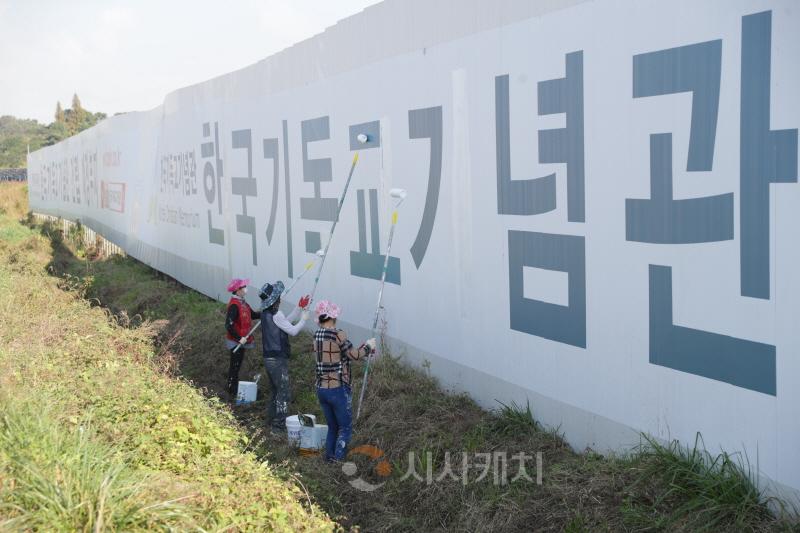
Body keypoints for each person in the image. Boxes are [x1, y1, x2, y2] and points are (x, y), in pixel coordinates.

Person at [312, 300, 376, 462]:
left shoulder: (316, 334)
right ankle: (339, 461)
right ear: (333, 317)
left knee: (332, 427)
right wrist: (368, 347)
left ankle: (329, 458)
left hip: (321, 389)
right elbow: (354, 355)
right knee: (345, 428)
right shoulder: (337, 334)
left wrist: (360, 349)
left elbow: (338, 355)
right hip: (337, 389)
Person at [258, 281, 310, 432]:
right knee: (284, 393)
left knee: (275, 391)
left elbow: (284, 323)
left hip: (268, 358)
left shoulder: (267, 314)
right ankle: (279, 426)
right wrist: (304, 319)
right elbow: (292, 331)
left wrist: (299, 308)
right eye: (278, 296)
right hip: (277, 360)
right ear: (275, 300)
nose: (280, 298)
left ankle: (270, 420)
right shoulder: (276, 314)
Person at [224, 278, 260, 399]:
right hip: (236, 341)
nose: (246, 289)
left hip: (243, 339)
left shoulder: (243, 302)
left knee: (238, 364)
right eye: (244, 287)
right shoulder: (234, 305)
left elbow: (253, 315)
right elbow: (228, 325)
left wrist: (265, 312)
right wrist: (239, 338)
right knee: (235, 365)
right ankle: (231, 389)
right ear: (237, 290)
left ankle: (233, 388)